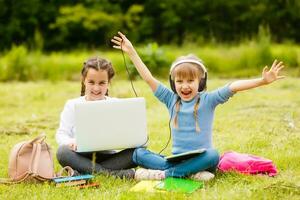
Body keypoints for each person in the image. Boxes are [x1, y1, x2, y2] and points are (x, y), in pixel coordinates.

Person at [111, 32, 285, 181]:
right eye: (179, 81)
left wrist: (262, 81)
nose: (184, 86)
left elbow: (233, 86)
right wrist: (132, 52)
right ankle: (186, 173)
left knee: (214, 155)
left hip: (201, 161)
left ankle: (166, 175)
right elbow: (149, 79)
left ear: (200, 81)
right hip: (175, 161)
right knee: (139, 153)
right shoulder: (171, 100)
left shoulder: (208, 100)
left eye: (190, 81)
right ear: (173, 82)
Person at [56, 57, 137, 179]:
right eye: (91, 82)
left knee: (138, 153)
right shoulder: (72, 105)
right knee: (62, 152)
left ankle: (85, 172)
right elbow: (61, 134)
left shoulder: (116, 104)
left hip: (109, 156)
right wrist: (70, 142)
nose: (96, 88)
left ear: (108, 82)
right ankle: (113, 175)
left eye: (102, 83)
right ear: (84, 81)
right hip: (81, 156)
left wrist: (136, 138)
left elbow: (130, 133)